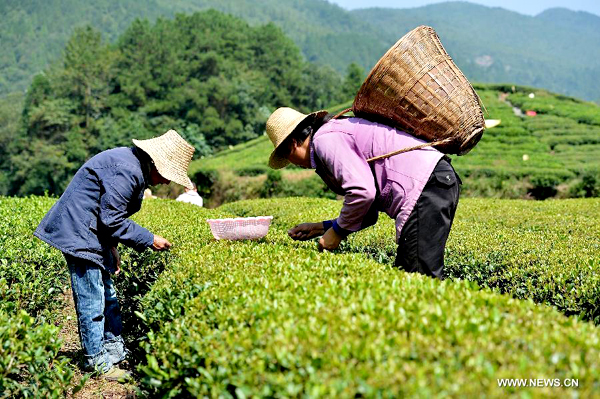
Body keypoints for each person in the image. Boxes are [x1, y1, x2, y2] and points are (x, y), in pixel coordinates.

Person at [34, 130, 195, 380]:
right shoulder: (127, 170)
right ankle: (95, 361)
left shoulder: (133, 167)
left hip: (90, 231)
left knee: (107, 294)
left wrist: (112, 249)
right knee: (92, 296)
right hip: (78, 231)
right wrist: (150, 239)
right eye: (167, 175)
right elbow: (111, 219)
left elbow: (105, 214)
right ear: (156, 163)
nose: (167, 183)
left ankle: (113, 350)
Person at [266, 108, 461, 279]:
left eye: (287, 157)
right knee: (407, 276)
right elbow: (368, 211)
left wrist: (338, 232)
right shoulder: (329, 136)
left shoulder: (325, 140)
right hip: (434, 181)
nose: (293, 164)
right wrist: (322, 227)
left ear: (292, 144)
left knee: (419, 278)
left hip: (426, 183)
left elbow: (362, 192)